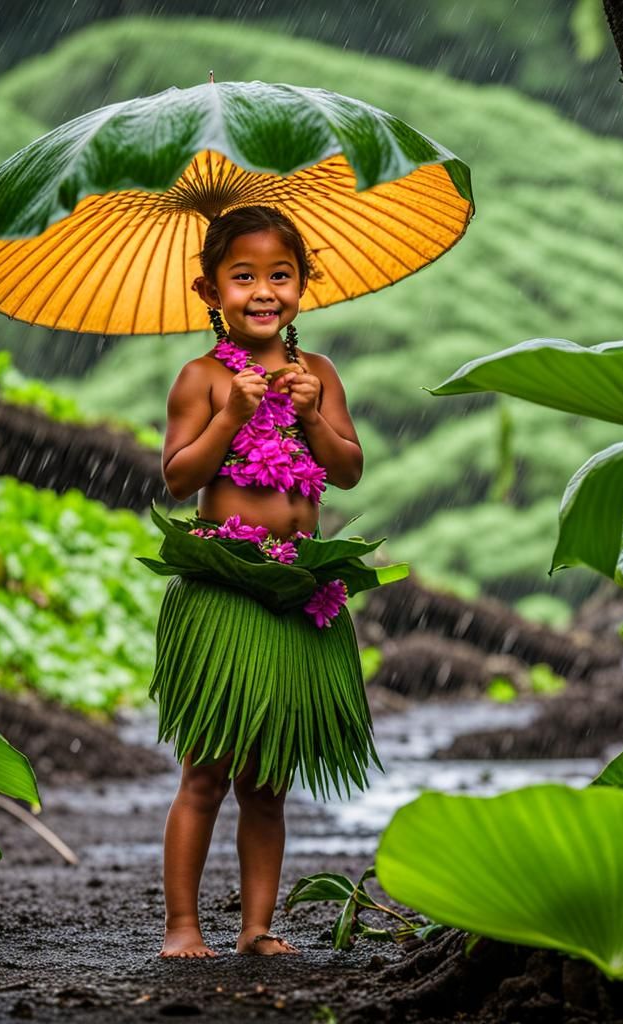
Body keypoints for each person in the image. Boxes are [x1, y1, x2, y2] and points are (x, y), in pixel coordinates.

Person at [151, 205, 385, 960]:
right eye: (242, 276)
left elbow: (347, 468)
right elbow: (179, 473)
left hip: (296, 592)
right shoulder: (202, 378)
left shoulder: (317, 374)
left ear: (302, 285)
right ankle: (182, 927)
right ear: (209, 290)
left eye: (278, 275)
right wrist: (230, 418)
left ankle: (256, 927)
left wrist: (315, 419)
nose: (262, 291)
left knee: (267, 778)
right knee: (206, 770)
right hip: (226, 587)